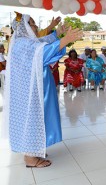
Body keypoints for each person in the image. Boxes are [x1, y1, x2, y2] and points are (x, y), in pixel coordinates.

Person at [3, 12, 83, 168]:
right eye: (32, 23)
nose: (36, 26)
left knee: (39, 117)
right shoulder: (22, 44)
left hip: (36, 88)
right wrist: (65, 40)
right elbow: (42, 53)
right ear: (24, 27)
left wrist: (58, 34)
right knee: (33, 118)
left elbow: (42, 42)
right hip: (30, 93)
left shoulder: (26, 42)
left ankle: (34, 149)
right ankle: (31, 159)